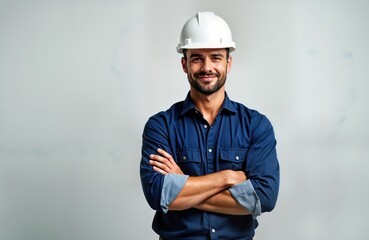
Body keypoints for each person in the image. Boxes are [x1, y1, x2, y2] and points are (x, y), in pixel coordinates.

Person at [140, 11, 280, 240]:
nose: (207, 67)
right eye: (197, 58)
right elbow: (158, 195)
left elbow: (264, 198)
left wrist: (182, 184)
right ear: (184, 64)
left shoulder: (256, 125)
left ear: (228, 63)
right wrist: (226, 178)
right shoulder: (160, 126)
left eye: (215, 57)